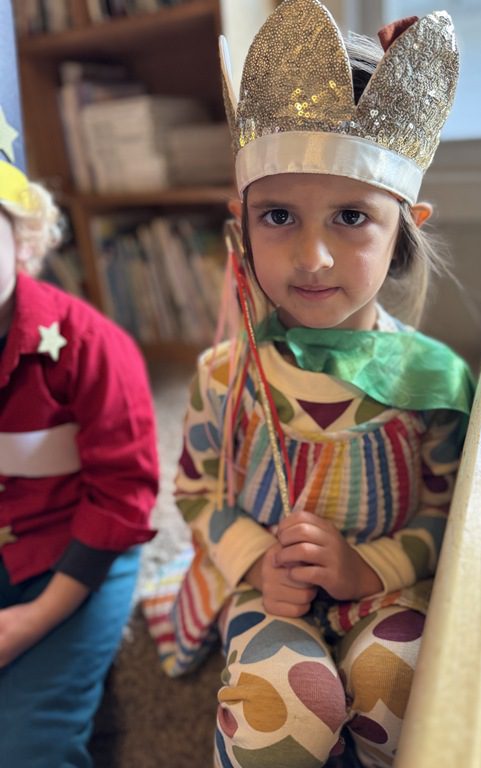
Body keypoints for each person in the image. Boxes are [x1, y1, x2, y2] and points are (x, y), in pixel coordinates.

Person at [144, 1, 475, 766]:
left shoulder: (435, 381)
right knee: (287, 713)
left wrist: (368, 570)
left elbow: (449, 518)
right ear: (242, 224)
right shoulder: (224, 377)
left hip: (387, 587)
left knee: (401, 694)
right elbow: (195, 493)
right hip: (268, 590)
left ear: (405, 227)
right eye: (280, 216)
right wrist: (257, 562)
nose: (314, 258)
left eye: (351, 217)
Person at [0, 5, 159, 765]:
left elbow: (122, 501)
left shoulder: (92, 348)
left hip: (74, 556)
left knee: (30, 745)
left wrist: (32, 621)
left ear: (21, 240)